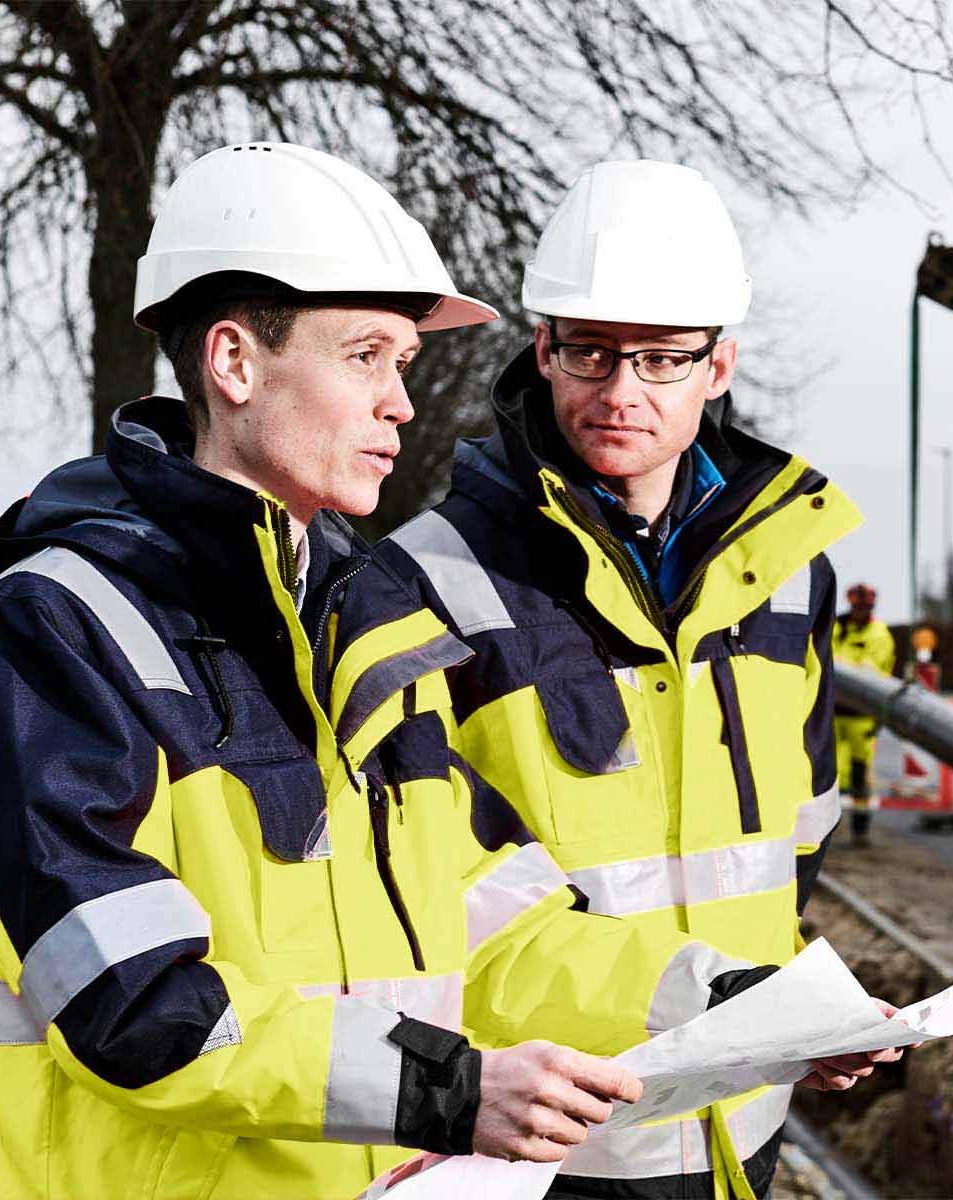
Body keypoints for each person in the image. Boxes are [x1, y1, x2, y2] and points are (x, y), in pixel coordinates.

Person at [0, 144, 782, 1199]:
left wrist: (718, 996)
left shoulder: (370, 629)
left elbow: (490, 923)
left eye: (403, 365)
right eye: (366, 357)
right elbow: (127, 997)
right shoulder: (55, 633)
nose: (401, 405)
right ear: (235, 364)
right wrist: (450, 1090)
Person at [378, 159, 881, 1200]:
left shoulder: (790, 575)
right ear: (542, 349)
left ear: (720, 363)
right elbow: (435, 888)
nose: (621, 395)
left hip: (742, 1118)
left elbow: (799, 833)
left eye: (660, 361)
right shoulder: (423, 578)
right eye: (592, 354)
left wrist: (785, 1011)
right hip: (544, 1136)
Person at [831, 583, 898, 846]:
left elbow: (876, 672)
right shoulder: (835, 628)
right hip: (833, 714)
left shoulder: (878, 634)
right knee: (825, 772)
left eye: (865, 606)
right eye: (858, 605)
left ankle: (860, 831)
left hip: (861, 716)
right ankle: (824, 830)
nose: (861, 610)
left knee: (860, 773)